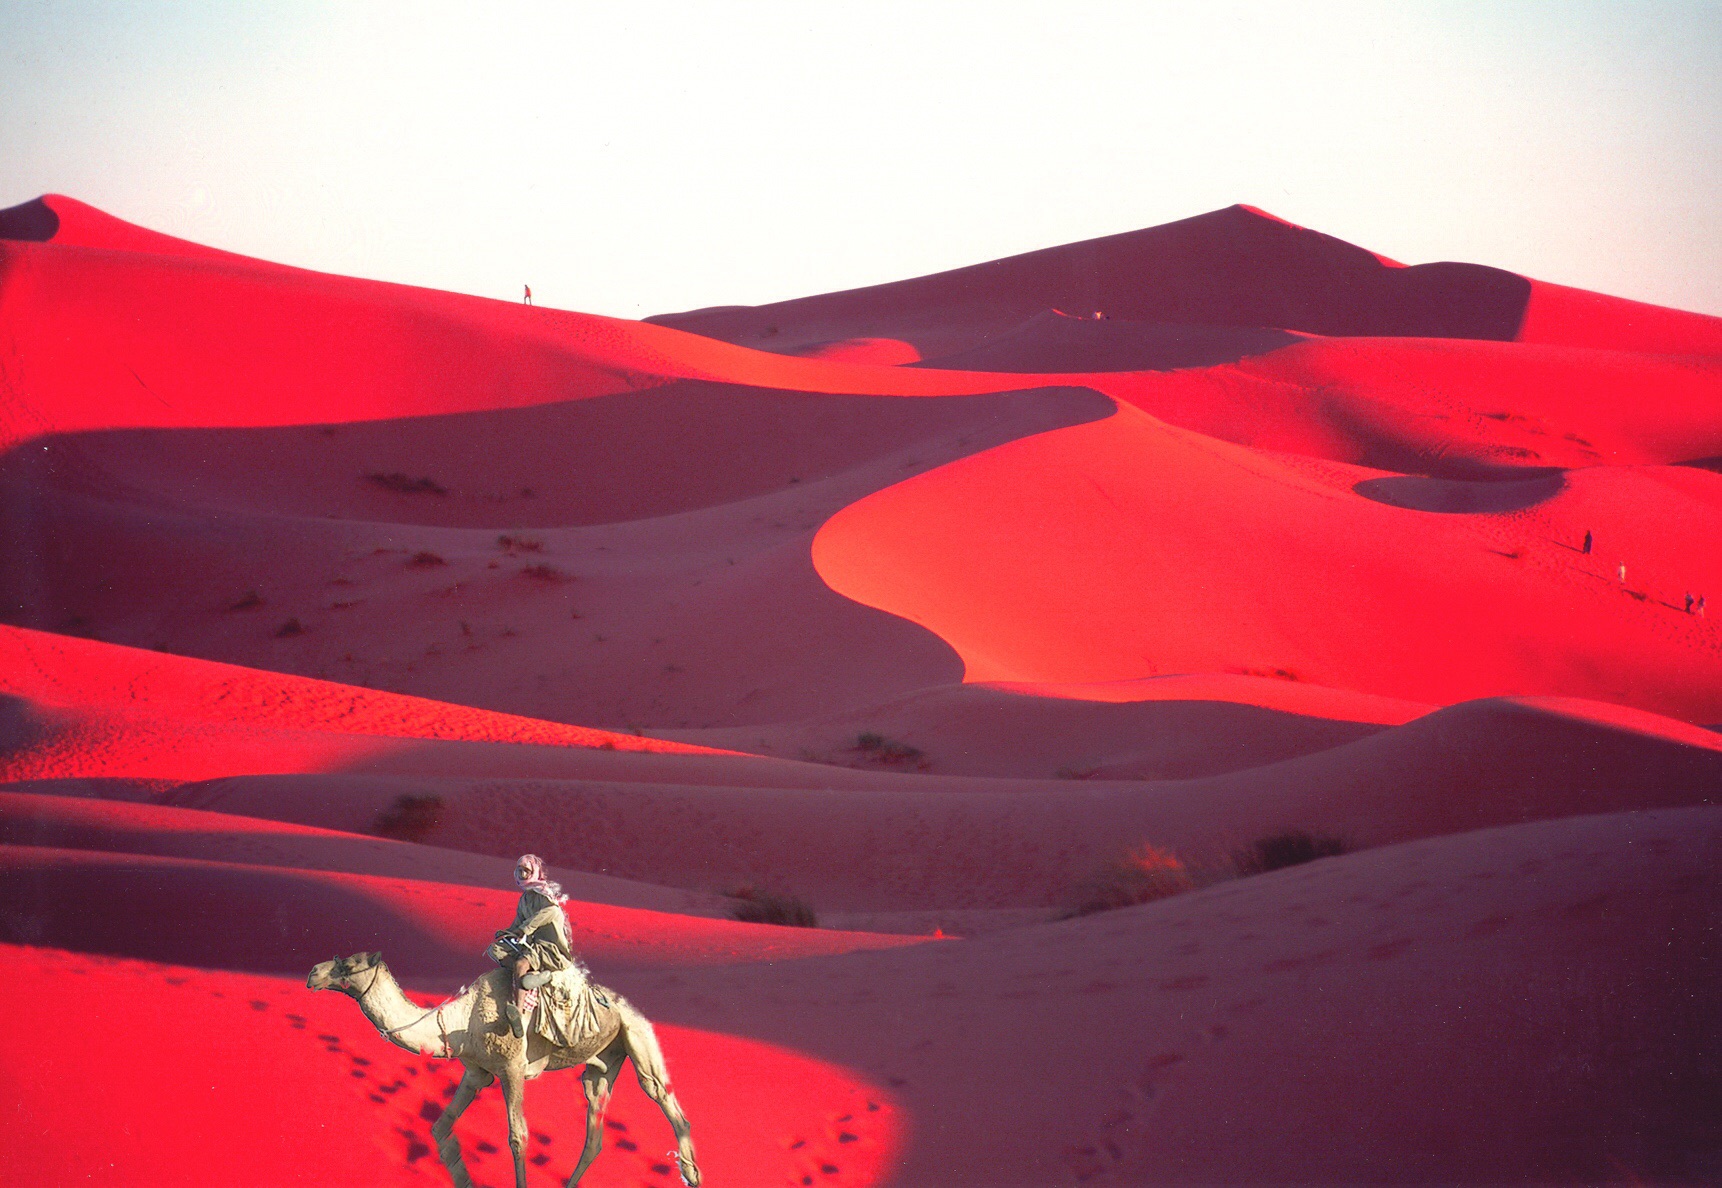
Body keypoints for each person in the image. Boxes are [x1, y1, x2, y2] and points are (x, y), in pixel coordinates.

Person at [490, 854, 573, 1038]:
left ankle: (518, 1014)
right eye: (519, 870)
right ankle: (531, 977)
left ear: (534, 872)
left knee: (520, 964)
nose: (522, 873)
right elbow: (518, 923)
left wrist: (526, 929)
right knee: (495, 951)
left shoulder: (543, 894)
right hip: (532, 945)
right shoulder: (525, 899)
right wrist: (506, 932)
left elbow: (552, 912)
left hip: (549, 948)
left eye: (526, 870)